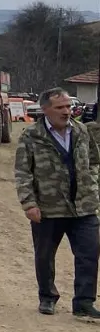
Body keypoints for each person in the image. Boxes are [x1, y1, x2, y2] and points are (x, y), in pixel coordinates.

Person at [15, 88, 100, 318]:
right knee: (45, 255)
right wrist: (29, 203)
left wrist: (92, 183)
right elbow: (23, 173)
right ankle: (47, 297)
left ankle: (83, 302)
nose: (66, 111)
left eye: (68, 107)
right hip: (48, 207)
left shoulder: (81, 130)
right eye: (60, 107)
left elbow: (94, 160)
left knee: (89, 254)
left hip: (83, 206)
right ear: (45, 110)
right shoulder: (31, 136)